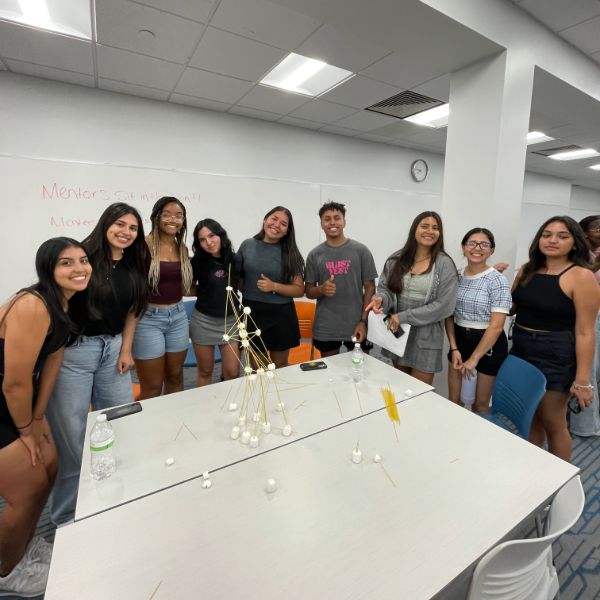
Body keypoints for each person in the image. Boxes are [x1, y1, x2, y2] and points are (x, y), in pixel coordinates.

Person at [47, 204, 148, 526]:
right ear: (106, 224)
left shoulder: (134, 264)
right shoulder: (83, 259)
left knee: (121, 424)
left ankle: (113, 500)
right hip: (75, 353)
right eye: (120, 224)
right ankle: (65, 519)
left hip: (114, 350)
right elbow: (56, 304)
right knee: (73, 438)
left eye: (133, 228)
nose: (126, 232)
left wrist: (127, 350)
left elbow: (134, 309)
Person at [0, 238, 90, 597]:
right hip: (5, 397)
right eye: (66, 263)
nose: (79, 268)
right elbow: (15, 383)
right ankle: (5, 571)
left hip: (18, 401)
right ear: (48, 269)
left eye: (83, 260)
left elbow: (53, 360)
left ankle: (19, 548)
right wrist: (26, 430)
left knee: (51, 465)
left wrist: (38, 418)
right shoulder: (33, 305)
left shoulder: (65, 303)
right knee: (28, 485)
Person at [511, 216, 600, 461]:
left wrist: (582, 380)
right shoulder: (527, 270)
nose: (553, 240)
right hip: (520, 346)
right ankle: (533, 466)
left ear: (574, 243)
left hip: (556, 352)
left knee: (553, 420)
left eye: (562, 236)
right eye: (547, 234)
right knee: (529, 414)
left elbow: (585, 332)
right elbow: (513, 307)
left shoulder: (581, 276)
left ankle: (558, 482)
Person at [366, 211, 458, 385]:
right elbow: (386, 289)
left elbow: (445, 305)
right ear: (414, 230)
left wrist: (403, 317)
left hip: (426, 338)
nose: (430, 231)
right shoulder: (396, 259)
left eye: (435, 228)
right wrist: (381, 299)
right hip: (396, 332)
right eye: (424, 226)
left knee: (418, 394)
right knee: (399, 387)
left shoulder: (444, 264)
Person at [445, 228, 512, 413]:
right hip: (459, 340)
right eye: (472, 243)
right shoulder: (455, 276)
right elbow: (448, 315)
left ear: (491, 250)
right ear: (463, 247)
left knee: (480, 404)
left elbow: (497, 325)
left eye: (485, 244)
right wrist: (454, 348)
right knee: (454, 400)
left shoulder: (497, 280)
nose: (478, 248)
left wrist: (474, 358)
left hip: (488, 344)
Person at [132, 197, 193, 399]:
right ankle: (147, 429)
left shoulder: (182, 248)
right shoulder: (142, 246)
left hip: (177, 317)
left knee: (175, 377)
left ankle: (176, 425)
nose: (172, 219)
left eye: (178, 216)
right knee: (152, 386)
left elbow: (183, 287)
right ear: (156, 217)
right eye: (166, 214)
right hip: (148, 319)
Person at [305, 202, 378, 357]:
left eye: (337, 218)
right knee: (329, 373)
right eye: (327, 219)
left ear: (344, 222)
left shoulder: (361, 251)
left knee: (360, 372)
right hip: (326, 326)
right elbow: (309, 292)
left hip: (357, 323)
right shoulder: (314, 255)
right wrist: (321, 289)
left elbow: (370, 288)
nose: (332, 222)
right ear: (322, 225)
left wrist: (363, 321)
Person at [238, 206, 305, 369]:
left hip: (281, 315)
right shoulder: (247, 245)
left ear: (287, 231)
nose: (276, 225)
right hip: (252, 313)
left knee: (280, 366)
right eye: (274, 219)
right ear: (265, 220)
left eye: (283, 224)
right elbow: (238, 279)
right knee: (257, 367)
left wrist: (274, 286)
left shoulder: (291, 252)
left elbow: (299, 289)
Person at [190, 219, 242, 386]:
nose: (209, 242)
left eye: (212, 236)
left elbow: (240, 286)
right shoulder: (196, 262)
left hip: (231, 321)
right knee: (205, 371)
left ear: (221, 235)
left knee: (233, 373)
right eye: (202, 240)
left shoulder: (237, 260)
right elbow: (188, 289)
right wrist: (209, 291)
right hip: (203, 322)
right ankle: (205, 409)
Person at [569, 215, 600, 437]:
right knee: (587, 370)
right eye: (598, 228)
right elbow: (587, 271)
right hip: (585, 316)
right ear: (584, 232)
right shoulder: (581, 257)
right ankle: (586, 426)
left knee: (593, 371)